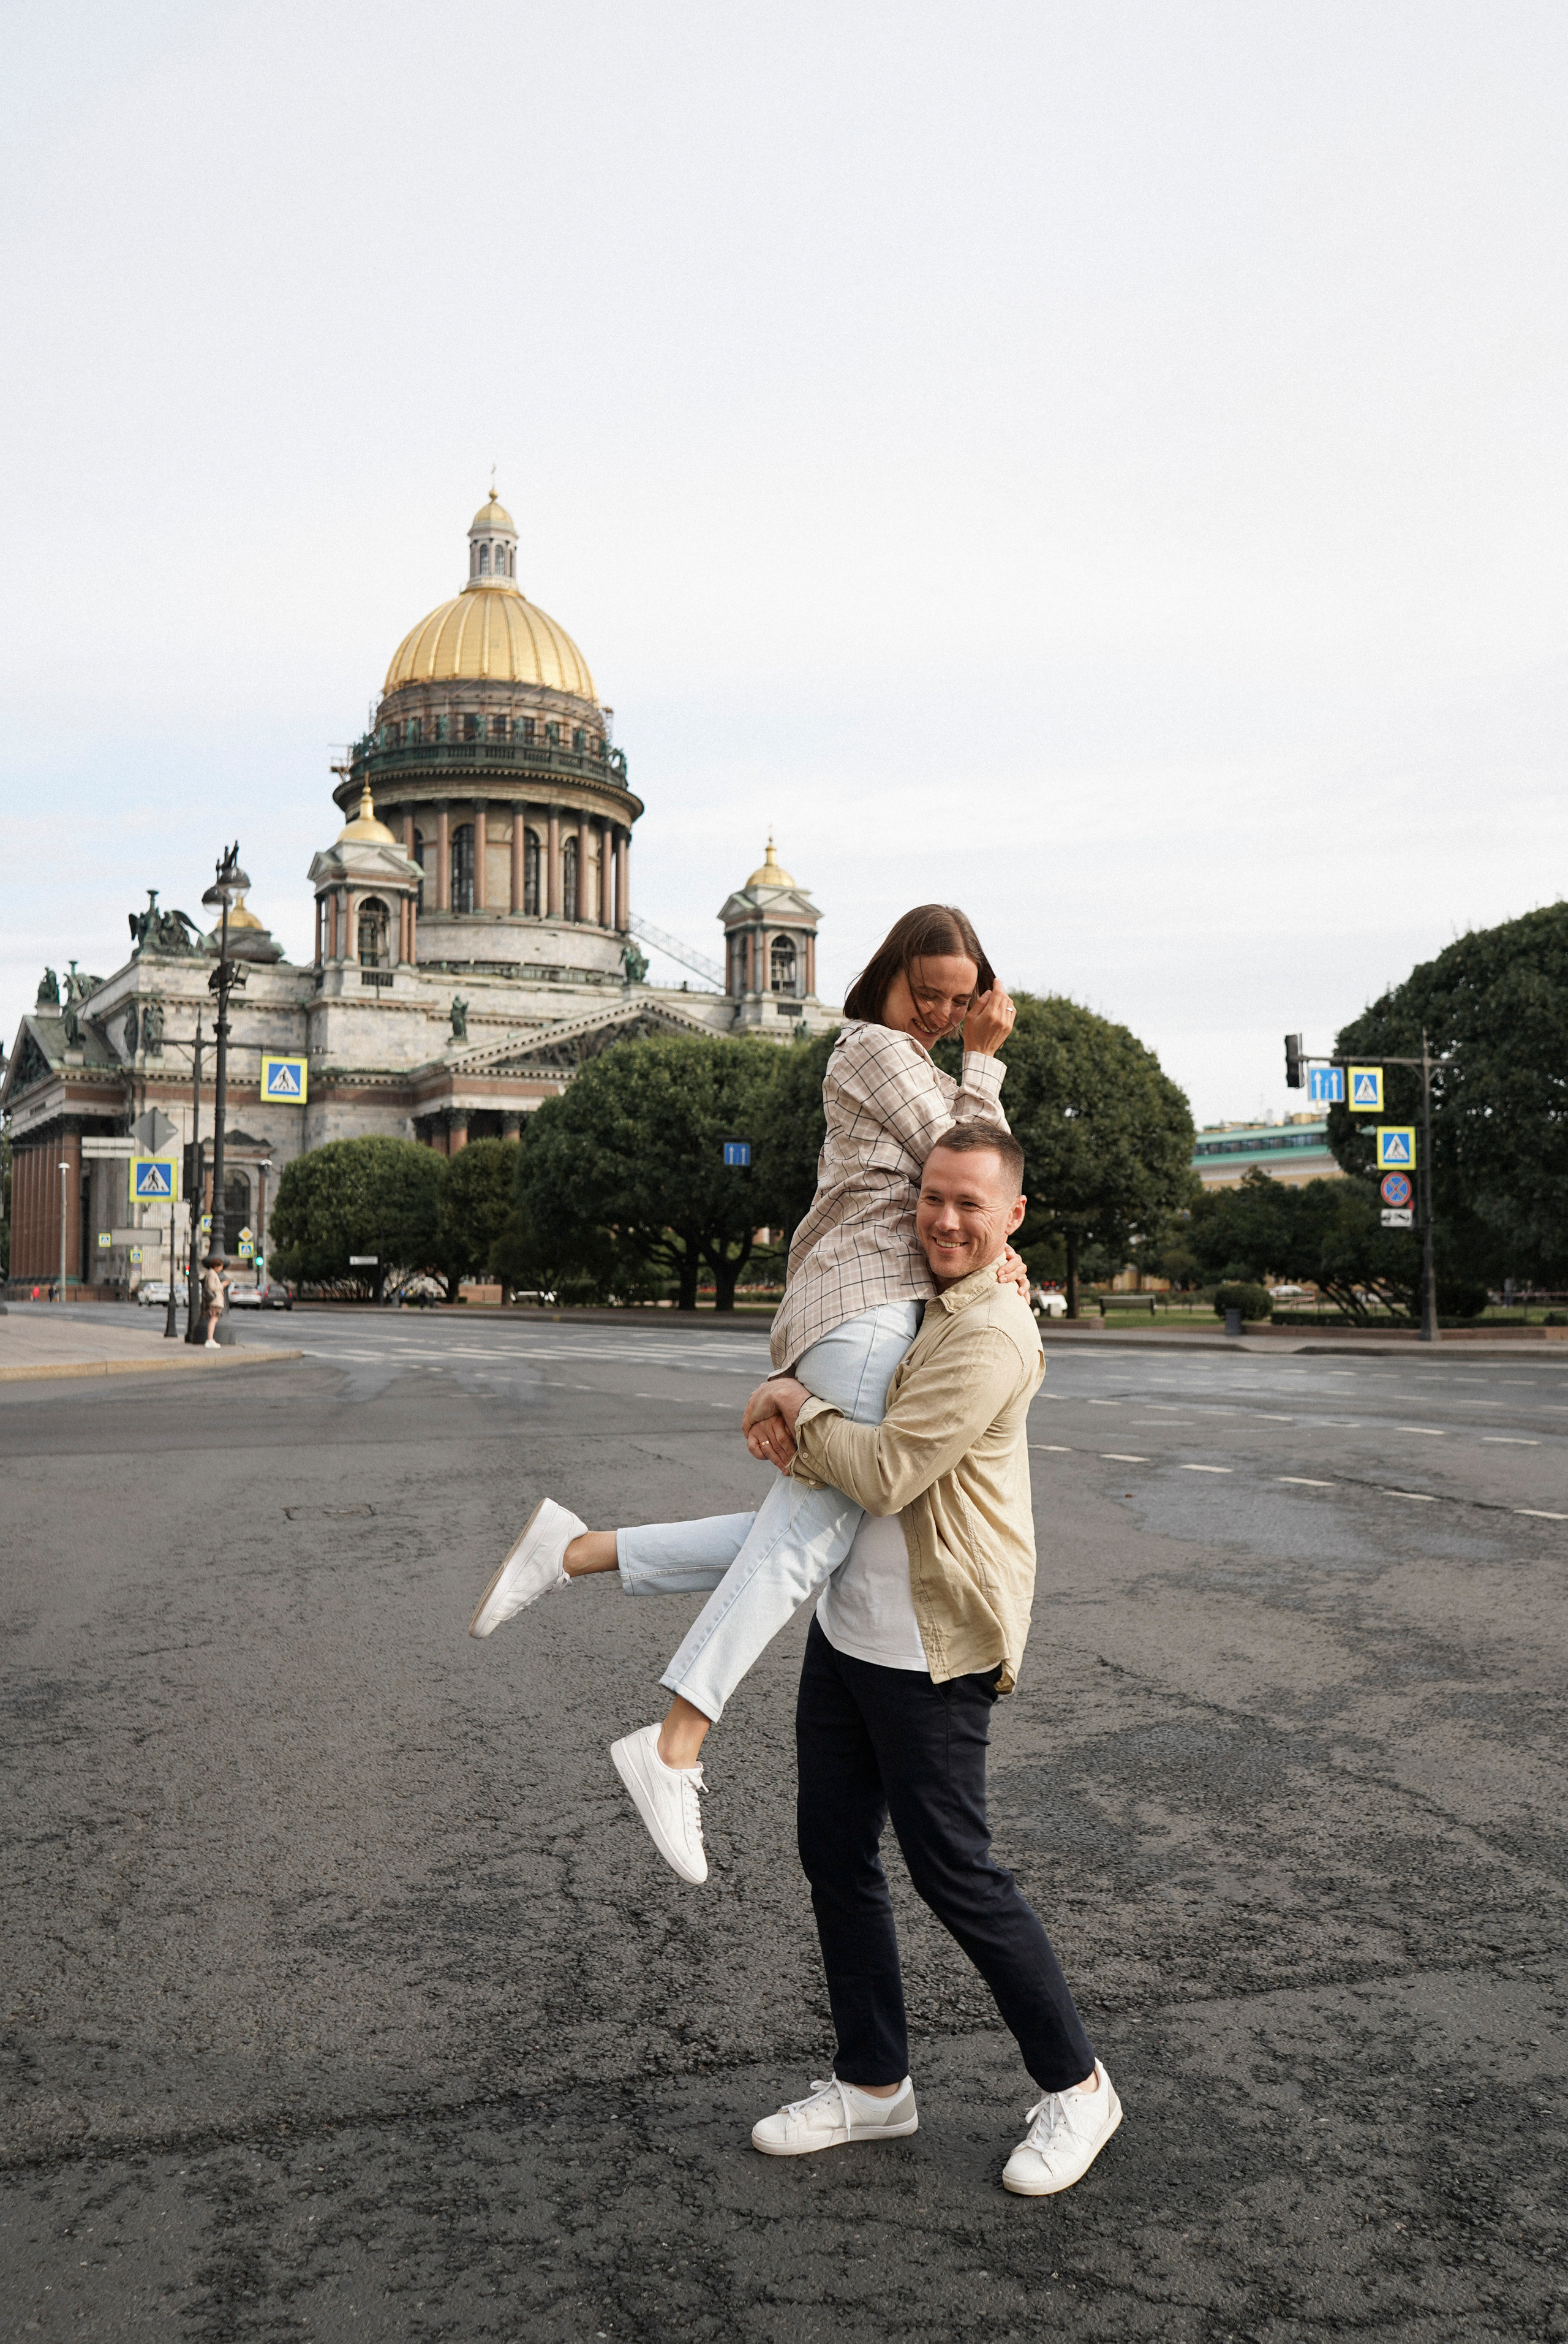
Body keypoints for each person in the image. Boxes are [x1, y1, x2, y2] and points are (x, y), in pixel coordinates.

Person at [500, 1127, 1123, 2197]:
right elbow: (797, 1527)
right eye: (934, 1197)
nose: (945, 1220)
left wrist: (796, 1403)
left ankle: (1079, 2088)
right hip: (850, 1633)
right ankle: (874, 2085)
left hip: (936, 1646)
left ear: (1015, 1216)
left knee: (956, 1874)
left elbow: (880, 1476)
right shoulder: (911, 1300)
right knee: (834, 1856)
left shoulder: (991, 1333)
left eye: (973, 1205)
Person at [469, 904, 1022, 1876]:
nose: (939, 1012)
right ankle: (674, 1739)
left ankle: (576, 1550)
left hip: (868, 1311)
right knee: (808, 1543)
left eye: (958, 998)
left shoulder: (909, 1057)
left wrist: (997, 1243)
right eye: (925, 992)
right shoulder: (872, 1047)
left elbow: (982, 1173)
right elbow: (968, 1150)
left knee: (803, 1530)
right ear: (887, 975)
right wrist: (986, 1059)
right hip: (867, 1307)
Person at [199, 1253, 230, 1348]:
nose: (221, 1269)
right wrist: (223, 1285)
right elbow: (212, 1287)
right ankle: (210, 1339)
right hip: (215, 1302)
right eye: (221, 1266)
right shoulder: (212, 1274)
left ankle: (210, 1339)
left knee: (213, 1320)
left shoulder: (211, 1273)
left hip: (215, 1301)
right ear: (217, 1266)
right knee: (213, 1320)